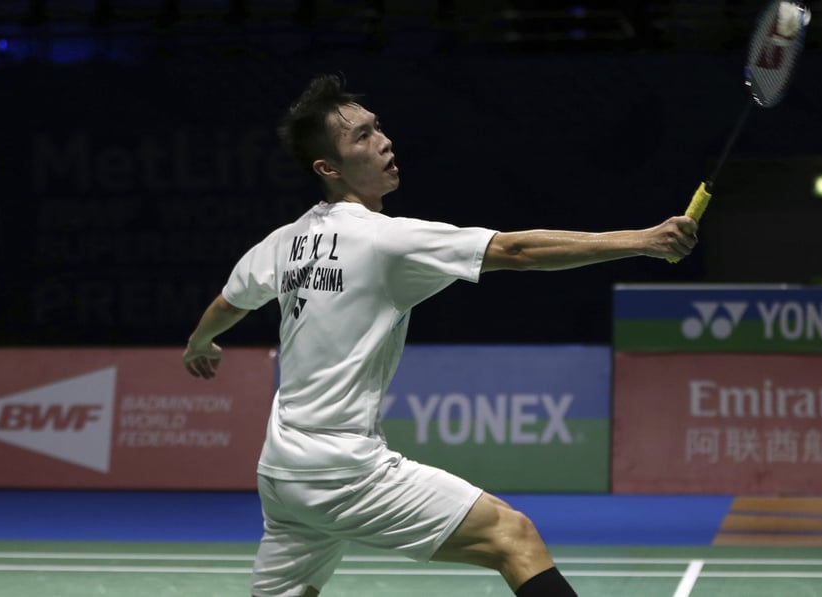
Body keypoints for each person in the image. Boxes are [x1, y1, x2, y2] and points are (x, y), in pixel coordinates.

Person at [182, 73, 698, 597]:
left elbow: (229, 303)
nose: (384, 141)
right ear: (328, 168)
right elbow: (517, 251)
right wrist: (643, 240)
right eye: (362, 136)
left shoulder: (283, 243)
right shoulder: (385, 241)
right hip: (341, 469)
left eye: (378, 127)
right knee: (512, 537)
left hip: (282, 472)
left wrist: (199, 345)